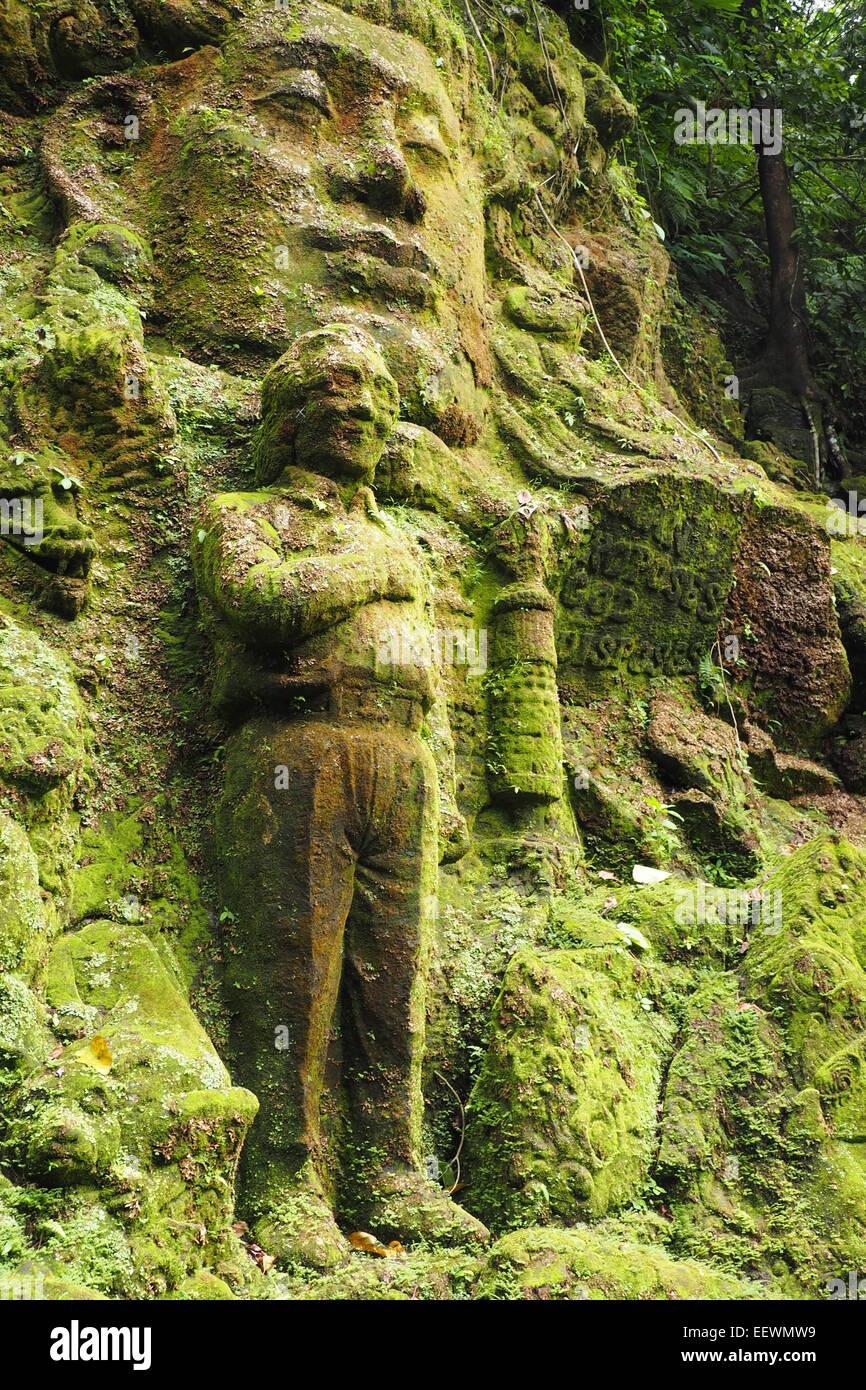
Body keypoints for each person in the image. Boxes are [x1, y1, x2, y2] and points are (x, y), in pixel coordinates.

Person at [194, 323, 487, 1266]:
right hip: (297, 756)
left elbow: (431, 669)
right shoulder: (242, 513)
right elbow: (260, 600)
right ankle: (283, 1177)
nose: (358, 408)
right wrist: (371, 568)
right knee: (295, 975)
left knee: (393, 983)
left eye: (373, 396)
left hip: (400, 762)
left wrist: (439, 777)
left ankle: (388, 1166)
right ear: (288, 417)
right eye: (334, 390)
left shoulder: (398, 538)